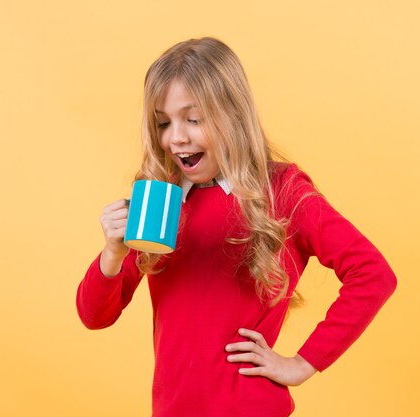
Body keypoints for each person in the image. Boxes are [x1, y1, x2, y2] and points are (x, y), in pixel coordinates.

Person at [76, 37, 397, 417]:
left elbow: (374, 274)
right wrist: (113, 252)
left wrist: (302, 363)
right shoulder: (161, 199)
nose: (176, 137)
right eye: (163, 122)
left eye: (193, 119)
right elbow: (95, 316)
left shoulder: (282, 191)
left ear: (232, 115)